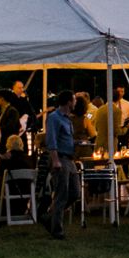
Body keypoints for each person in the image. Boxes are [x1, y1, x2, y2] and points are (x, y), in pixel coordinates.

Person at [45, 91, 79, 240]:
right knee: (62, 194)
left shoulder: (68, 119)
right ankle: (57, 230)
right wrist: (55, 159)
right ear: (68, 102)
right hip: (60, 158)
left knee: (74, 192)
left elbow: (65, 137)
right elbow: (51, 140)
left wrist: (75, 143)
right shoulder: (54, 118)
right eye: (74, 100)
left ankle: (50, 217)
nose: (76, 103)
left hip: (70, 158)